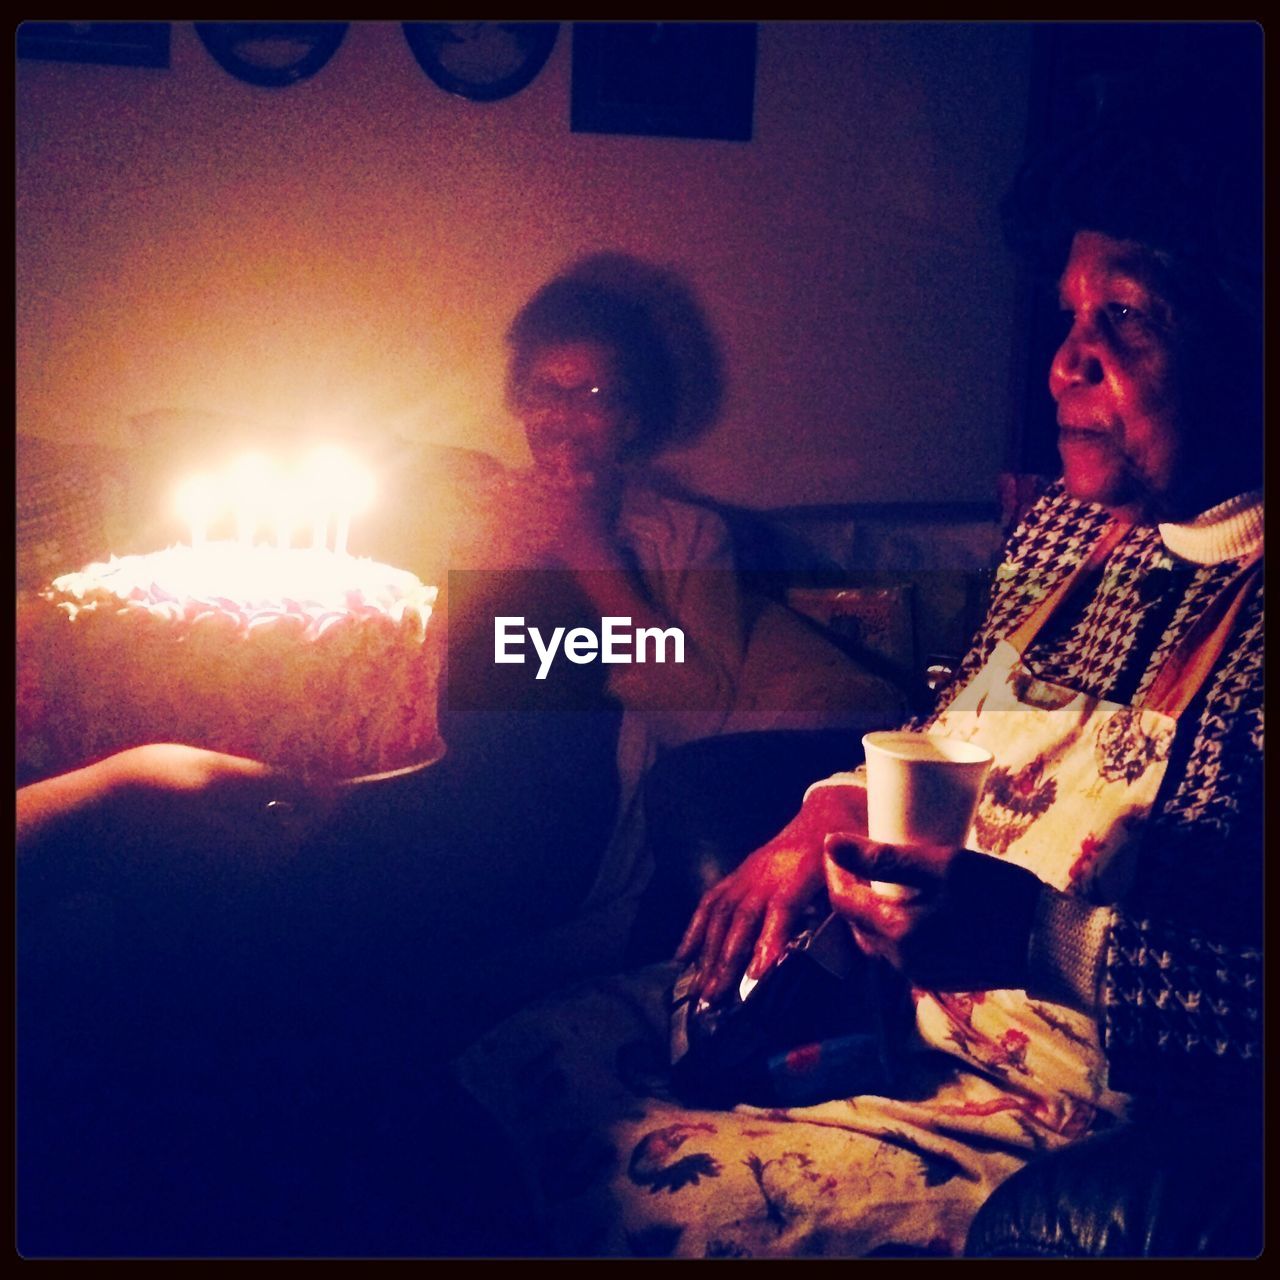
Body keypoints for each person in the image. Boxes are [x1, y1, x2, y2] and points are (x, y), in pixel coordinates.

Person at [451, 47, 1262, 1258]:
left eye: (1127, 319)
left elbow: (671, 685)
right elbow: (953, 725)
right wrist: (822, 812)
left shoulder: (684, 535)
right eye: (1065, 319)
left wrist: (1035, 934)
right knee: (506, 1069)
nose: (1062, 363)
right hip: (894, 1012)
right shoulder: (1057, 532)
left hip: (1068, 1112)